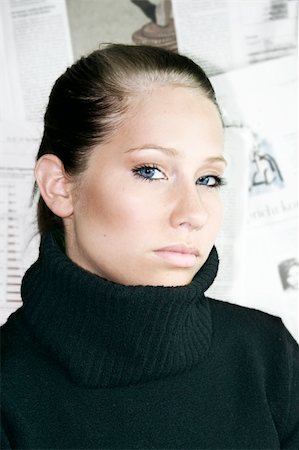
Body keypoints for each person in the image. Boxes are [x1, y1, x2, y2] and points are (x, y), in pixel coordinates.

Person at [1, 44, 298, 450]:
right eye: (151, 171)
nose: (192, 212)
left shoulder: (269, 358)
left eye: (208, 179)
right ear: (59, 186)